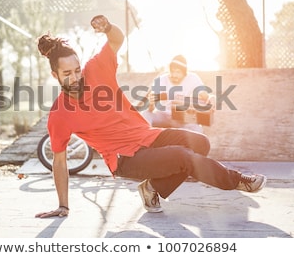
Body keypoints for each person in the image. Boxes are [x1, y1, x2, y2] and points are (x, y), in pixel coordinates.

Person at [35, 15, 266, 218]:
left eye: (77, 70)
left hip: (147, 136)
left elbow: (116, 39)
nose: (76, 77)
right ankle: (237, 180)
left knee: (200, 143)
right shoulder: (60, 113)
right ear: (55, 74)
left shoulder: (96, 69)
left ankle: (152, 189)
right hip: (124, 158)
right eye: (67, 73)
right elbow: (59, 161)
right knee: (182, 157)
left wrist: (107, 27)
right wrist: (63, 205)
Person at [140, 55, 214, 133]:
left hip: (181, 119)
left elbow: (205, 96)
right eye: (172, 71)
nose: (174, 75)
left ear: (184, 73)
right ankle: (147, 139)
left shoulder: (193, 78)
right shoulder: (161, 80)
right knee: (145, 114)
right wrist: (151, 104)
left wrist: (212, 98)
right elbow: (150, 109)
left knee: (198, 128)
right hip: (162, 115)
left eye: (178, 72)